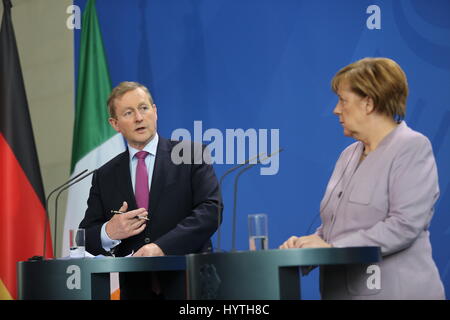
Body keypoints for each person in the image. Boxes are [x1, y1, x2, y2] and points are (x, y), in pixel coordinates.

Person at [280, 57, 445, 300]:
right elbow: (335, 228)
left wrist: (331, 249)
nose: (336, 109)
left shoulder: (412, 147)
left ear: (368, 103)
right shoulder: (348, 155)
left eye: (343, 100)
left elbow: (404, 225)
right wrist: (306, 248)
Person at [79, 81, 221, 299]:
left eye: (144, 108)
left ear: (155, 112)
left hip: (189, 283)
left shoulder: (191, 154)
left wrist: (162, 247)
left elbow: (211, 211)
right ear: (115, 123)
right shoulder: (104, 175)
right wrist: (109, 231)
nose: (138, 117)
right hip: (136, 289)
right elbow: (85, 236)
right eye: (128, 112)